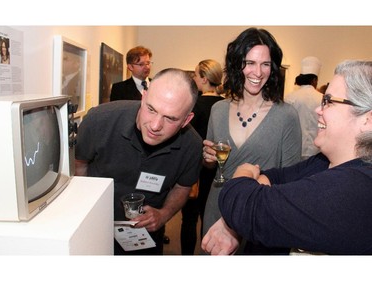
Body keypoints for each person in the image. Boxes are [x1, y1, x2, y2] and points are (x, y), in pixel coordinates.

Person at [202, 60, 372, 255]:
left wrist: (243, 172)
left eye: (329, 101)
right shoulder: (323, 162)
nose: (318, 109)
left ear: (368, 119)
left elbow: (248, 206)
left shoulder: (355, 187)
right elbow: (277, 177)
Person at [75, 68, 203, 255]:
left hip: (145, 236)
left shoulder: (192, 145)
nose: (155, 126)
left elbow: (182, 187)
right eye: (151, 109)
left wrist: (163, 215)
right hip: (94, 228)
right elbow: (79, 164)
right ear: (143, 97)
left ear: (186, 120)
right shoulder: (99, 120)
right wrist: (86, 210)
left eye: (170, 118)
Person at [202, 27, 302, 255]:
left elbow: (289, 182)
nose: (258, 72)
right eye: (250, 62)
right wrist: (208, 159)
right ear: (237, 64)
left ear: (273, 68)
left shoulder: (286, 115)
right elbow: (213, 165)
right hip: (217, 205)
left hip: (260, 215)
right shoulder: (218, 109)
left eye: (265, 64)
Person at [180, 59, 225, 255]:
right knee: (212, 218)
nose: (194, 78)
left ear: (204, 79)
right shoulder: (227, 106)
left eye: (196, 75)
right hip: (219, 170)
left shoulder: (194, 105)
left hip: (194, 170)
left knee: (189, 219)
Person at [285, 56, 324, 159]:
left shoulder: (290, 97)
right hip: (316, 150)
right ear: (314, 80)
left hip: (294, 148)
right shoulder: (322, 98)